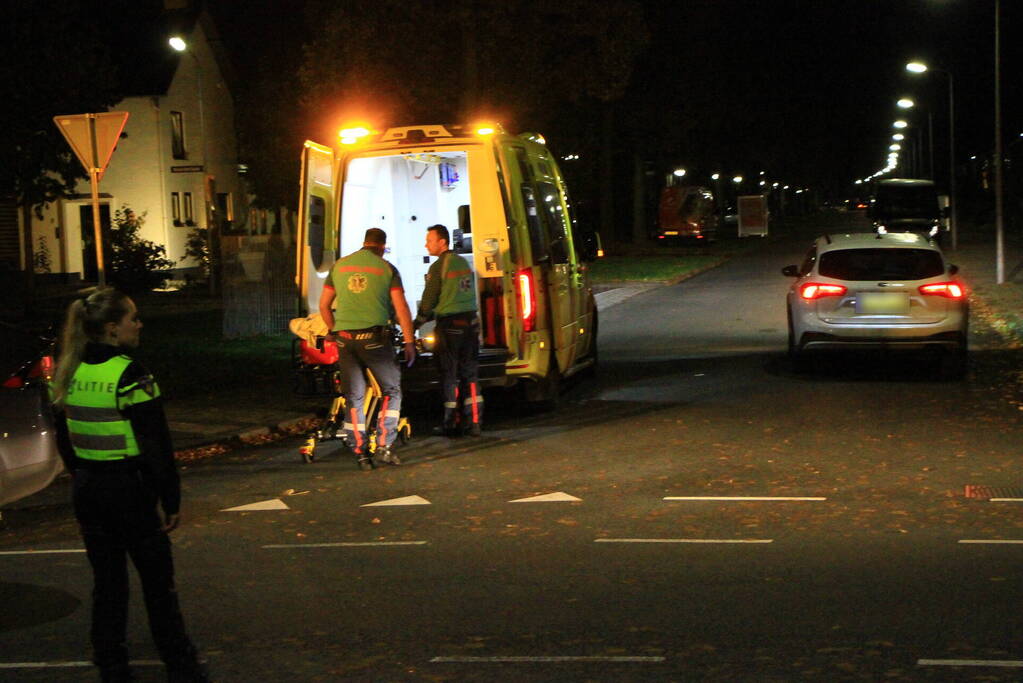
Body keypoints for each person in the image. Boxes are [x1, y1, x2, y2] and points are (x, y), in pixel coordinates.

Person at [50, 288, 209, 683]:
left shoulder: (69, 371)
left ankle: (111, 662)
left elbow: (64, 438)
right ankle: (180, 663)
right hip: (129, 491)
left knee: (107, 583)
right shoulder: (130, 374)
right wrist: (170, 498)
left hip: (88, 489)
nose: (139, 324)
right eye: (132, 318)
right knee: (158, 586)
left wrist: (81, 472)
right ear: (111, 328)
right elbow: (156, 444)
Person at [319, 228, 415, 469]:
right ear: (382, 246)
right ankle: (384, 445)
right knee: (391, 390)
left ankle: (360, 452)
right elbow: (401, 308)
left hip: (344, 340)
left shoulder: (339, 266)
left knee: (354, 397)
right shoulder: (387, 269)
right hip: (374, 340)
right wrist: (409, 340)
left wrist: (334, 331)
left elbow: (324, 306)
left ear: (364, 242)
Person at [414, 224, 482, 437]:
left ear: (442, 242)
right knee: (470, 374)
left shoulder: (438, 267)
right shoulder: (463, 262)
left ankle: (450, 422)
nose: (426, 244)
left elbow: (429, 301)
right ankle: (475, 422)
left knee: (449, 374)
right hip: (470, 324)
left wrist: (417, 322)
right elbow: (457, 297)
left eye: (429, 240)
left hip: (450, 327)